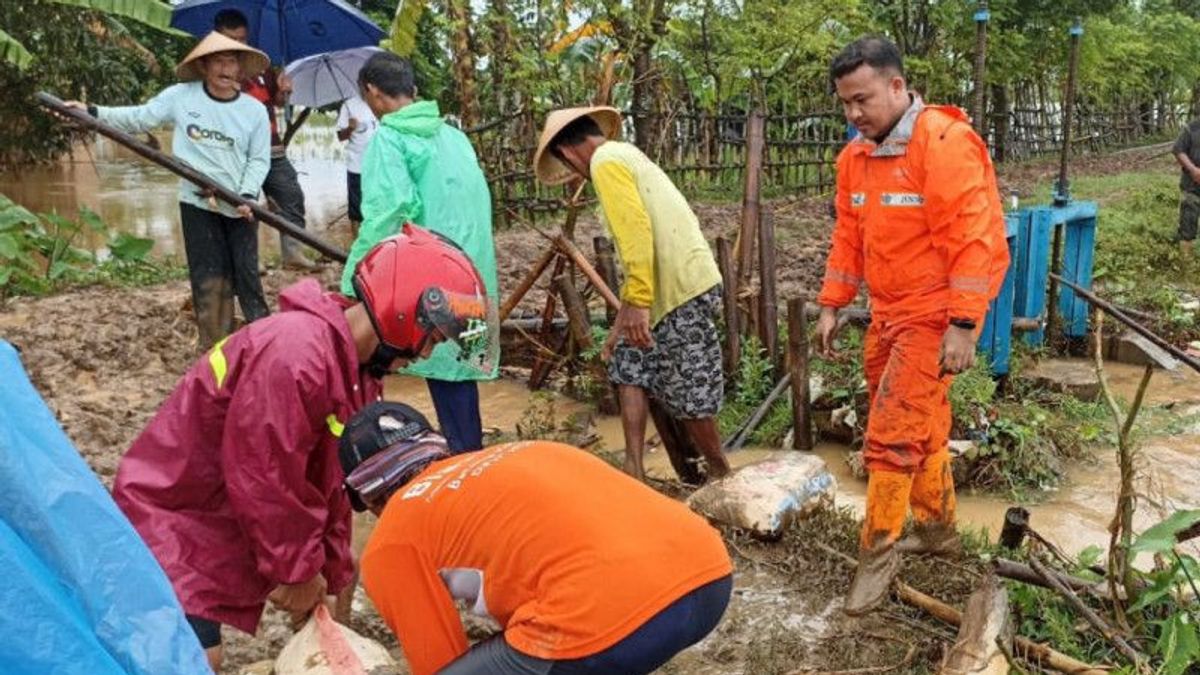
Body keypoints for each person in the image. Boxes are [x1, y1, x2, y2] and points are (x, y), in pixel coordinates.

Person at [112, 224, 493, 671]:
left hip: (228, 512)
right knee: (196, 658)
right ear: (406, 313)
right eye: (434, 337)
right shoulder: (296, 353)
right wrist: (295, 571)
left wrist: (330, 565)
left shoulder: (358, 374)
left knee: (340, 574)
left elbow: (329, 483)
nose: (428, 353)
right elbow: (263, 476)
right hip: (178, 515)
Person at [815, 36, 1010, 616]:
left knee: (891, 434)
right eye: (846, 103)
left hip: (935, 314)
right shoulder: (853, 158)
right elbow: (849, 238)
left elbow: (977, 240)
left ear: (898, 87)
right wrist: (832, 303)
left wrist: (964, 325)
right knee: (921, 427)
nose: (854, 113)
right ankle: (939, 530)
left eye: (863, 99)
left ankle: (878, 554)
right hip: (888, 313)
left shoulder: (944, 144)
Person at [339, 403, 733, 675]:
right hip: (710, 578)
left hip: (612, 621)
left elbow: (438, 661)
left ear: (371, 498)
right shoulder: (525, 452)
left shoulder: (393, 536)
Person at [533, 107, 731, 482]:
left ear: (567, 152)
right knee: (629, 361)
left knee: (690, 388)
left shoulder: (605, 164)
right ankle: (633, 469)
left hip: (679, 288)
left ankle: (722, 474)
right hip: (665, 283)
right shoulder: (624, 153)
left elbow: (636, 233)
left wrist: (638, 301)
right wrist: (626, 316)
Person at [67, 32, 272, 350]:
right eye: (218, 61)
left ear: (240, 68)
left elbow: (258, 160)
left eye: (231, 61)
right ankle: (215, 347)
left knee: (247, 277)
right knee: (208, 279)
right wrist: (92, 111)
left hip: (240, 206)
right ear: (204, 66)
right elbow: (138, 118)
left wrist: (246, 195)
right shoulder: (181, 97)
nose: (225, 68)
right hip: (197, 203)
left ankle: (267, 342)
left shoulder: (254, 111)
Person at [342, 51, 499, 454]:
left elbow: (388, 214)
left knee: (378, 361)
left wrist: (351, 280)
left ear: (373, 93)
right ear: (413, 89)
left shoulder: (391, 140)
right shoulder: (454, 136)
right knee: (457, 374)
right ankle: (471, 461)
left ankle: (372, 459)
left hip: (428, 278)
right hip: (471, 272)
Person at [214, 8, 316, 270]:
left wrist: (284, 91)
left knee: (291, 195)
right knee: (244, 204)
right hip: (238, 151)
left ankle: (293, 253)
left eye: (242, 39)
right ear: (217, 37)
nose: (238, 45)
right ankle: (249, 259)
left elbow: (277, 102)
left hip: (272, 147)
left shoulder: (260, 66)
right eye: (231, 39)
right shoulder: (215, 70)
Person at [336, 95, 379, 236]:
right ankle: (357, 249)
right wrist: (349, 128)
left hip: (379, 166)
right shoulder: (349, 105)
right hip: (356, 166)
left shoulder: (381, 101)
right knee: (356, 211)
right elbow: (340, 136)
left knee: (378, 208)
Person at [1172, 117, 1200, 262]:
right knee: (1188, 221)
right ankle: (1185, 263)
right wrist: (1193, 169)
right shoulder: (1192, 128)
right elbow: (1178, 150)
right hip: (1192, 186)